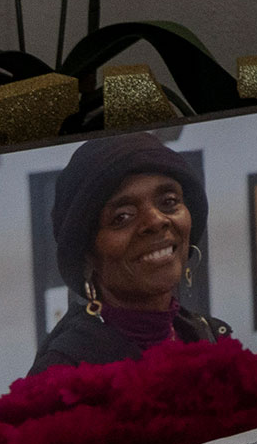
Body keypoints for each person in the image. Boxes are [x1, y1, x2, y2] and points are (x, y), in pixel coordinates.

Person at [26, 133, 235, 374]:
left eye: (168, 201)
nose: (156, 221)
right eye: (122, 217)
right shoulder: (62, 377)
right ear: (88, 254)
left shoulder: (213, 341)